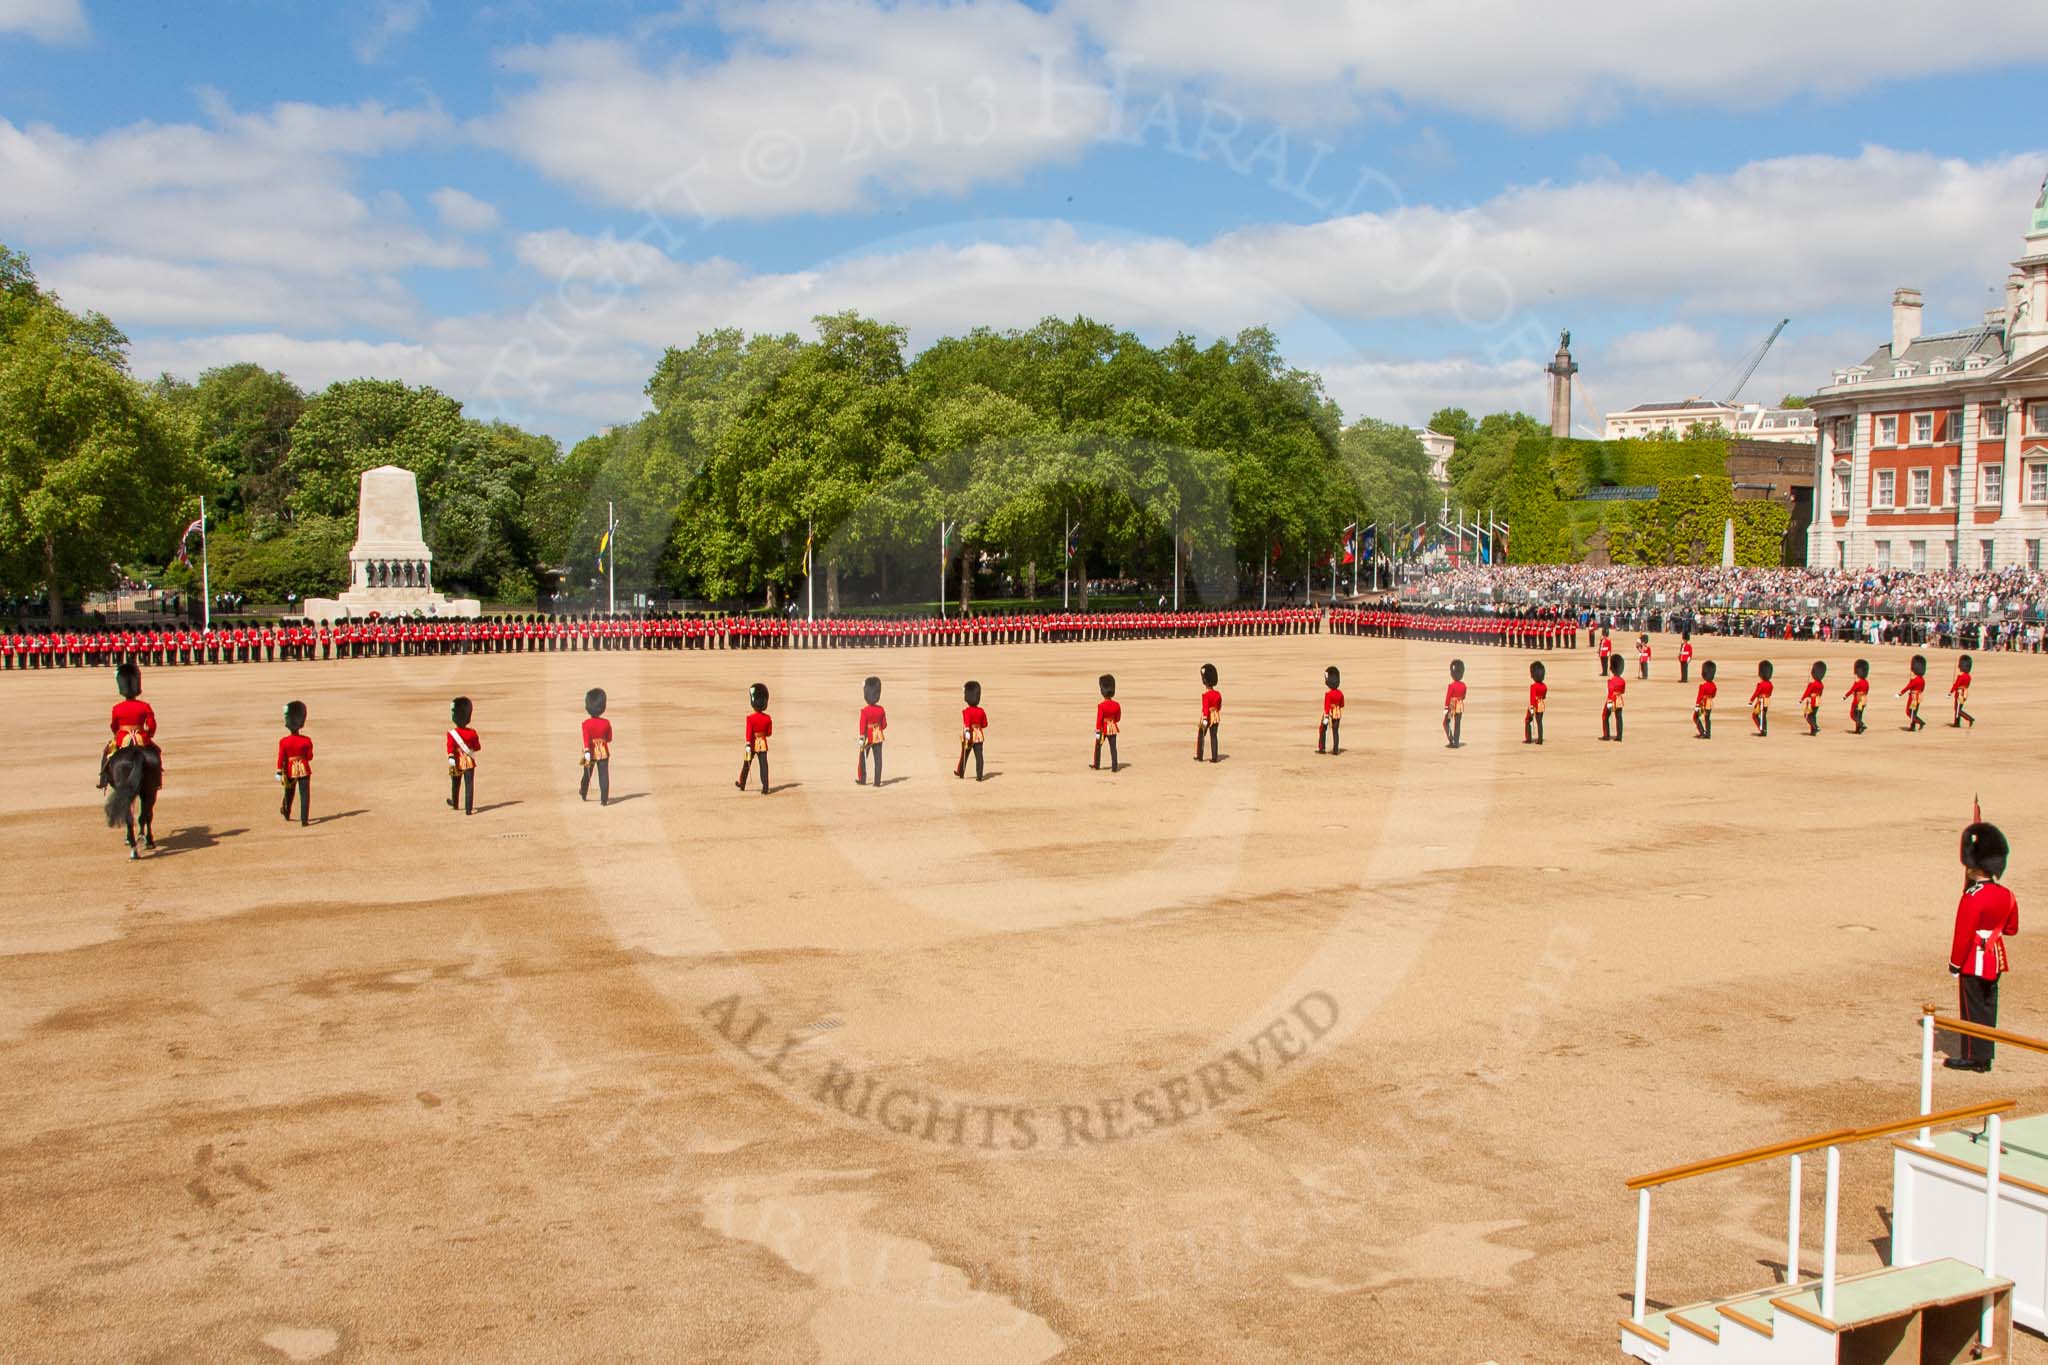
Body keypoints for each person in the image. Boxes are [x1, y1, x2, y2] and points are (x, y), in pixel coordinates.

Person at [1947, 820, 2018, 1072]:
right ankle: (1985, 1055)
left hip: (1973, 959)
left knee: (1971, 1008)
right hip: (1995, 958)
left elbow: (1963, 934)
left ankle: (1971, 1056)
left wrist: (1955, 963)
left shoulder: (1973, 897)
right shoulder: (2006, 894)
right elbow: (2011, 929)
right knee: (1988, 1008)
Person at [101, 660, 160, 790]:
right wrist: (148, 734)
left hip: (123, 737)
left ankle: (103, 779)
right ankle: (157, 780)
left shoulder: (117, 707)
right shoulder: (144, 706)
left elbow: (114, 725)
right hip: (141, 737)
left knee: (107, 752)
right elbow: (151, 724)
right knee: (156, 752)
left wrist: (117, 734)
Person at [276, 700, 313, 825]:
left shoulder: (284, 741)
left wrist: (279, 771)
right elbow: (309, 757)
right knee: (305, 795)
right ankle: (304, 820)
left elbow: (281, 757)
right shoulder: (306, 740)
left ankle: (286, 812)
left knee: (289, 792)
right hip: (303, 767)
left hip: (290, 768)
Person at [446, 696, 481, 815]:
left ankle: (455, 803)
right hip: (469, 761)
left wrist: (451, 758)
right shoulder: (472, 733)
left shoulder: (452, 734)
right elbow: (477, 747)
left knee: (456, 784)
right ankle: (468, 809)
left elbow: (450, 747)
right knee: (469, 786)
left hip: (456, 761)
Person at [737, 683, 773, 793]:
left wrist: (748, 744)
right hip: (762, 743)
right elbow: (769, 733)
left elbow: (748, 734)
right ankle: (765, 787)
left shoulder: (750, 718)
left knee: (746, 764)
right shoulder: (767, 718)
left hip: (751, 744)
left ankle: (742, 783)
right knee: (764, 766)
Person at [580, 687, 613, 805]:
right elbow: (609, 738)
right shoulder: (606, 723)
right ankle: (604, 799)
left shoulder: (586, 724)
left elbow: (586, 740)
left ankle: (583, 792)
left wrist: (587, 752)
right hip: (603, 750)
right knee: (604, 775)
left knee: (586, 774)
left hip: (589, 751)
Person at [856, 676, 887, 786]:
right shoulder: (881, 709)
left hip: (867, 735)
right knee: (878, 759)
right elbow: (884, 725)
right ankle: (877, 782)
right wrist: (877, 728)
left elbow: (862, 727)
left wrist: (861, 739)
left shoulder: (865, 711)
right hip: (878, 733)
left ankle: (862, 779)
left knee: (863, 757)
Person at [956, 680, 988, 780]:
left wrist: (967, 733)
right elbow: (985, 724)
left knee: (964, 755)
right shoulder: (981, 711)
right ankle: (979, 776)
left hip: (968, 735)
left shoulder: (966, 711)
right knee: (979, 757)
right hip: (979, 736)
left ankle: (961, 773)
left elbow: (967, 723)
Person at [1093, 674, 1121, 772]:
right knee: (1113, 748)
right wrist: (1112, 722)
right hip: (1112, 726)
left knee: (1098, 746)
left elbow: (1099, 719)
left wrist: (1098, 730)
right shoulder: (1116, 704)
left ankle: (1096, 765)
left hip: (1102, 728)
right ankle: (1114, 767)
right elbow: (1118, 718)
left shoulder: (1101, 706)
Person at [1196, 663, 1221, 763]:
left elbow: (1205, 708)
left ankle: (1200, 755)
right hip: (1215, 715)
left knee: (1201, 735)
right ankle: (1214, 757)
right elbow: (1219, 706)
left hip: (1207, 717)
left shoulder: (1206, 695)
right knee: (1214, 736)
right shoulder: (1217, 694)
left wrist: (1205, 718)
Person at [1601, 654, 1626, 742]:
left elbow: (1610, 691)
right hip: (1619, 698)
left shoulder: (1610, 681)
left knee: (1605, 716)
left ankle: (1606, 735)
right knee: (1619, 717)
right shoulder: (1622, 681)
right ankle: (1619, 736)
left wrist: (1609, 702)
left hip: (1611, 699)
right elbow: (1623, 691)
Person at [1319, 666, 1344, 755]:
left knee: (1322, 729)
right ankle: (1335, 749)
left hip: (1328, 714)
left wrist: (1326, 717)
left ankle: (1322, 748)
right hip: (1337, 713)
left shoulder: (1329, 694)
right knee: (1335, 731)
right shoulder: (1340, 693)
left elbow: (1327, 707)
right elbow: (1342, 704)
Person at [1443, 659, 1467, 749]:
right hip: (1460, 703)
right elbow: (1464, 696)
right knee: (1457, 724)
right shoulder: (1464, 685)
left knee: (1446, 722)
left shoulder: (1451, 686)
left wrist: (1446, 709)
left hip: (1452, 704)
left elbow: (1448, 699)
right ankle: (1456, 742)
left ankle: (1451, 740)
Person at [1901, 654, 1928, 731]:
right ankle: (1912, 726)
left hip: (1913, 697)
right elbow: (1922, 689)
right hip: (1919, 696)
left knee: (1909, 712)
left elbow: (1908, 687)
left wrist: (1900, 694)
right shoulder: (1922, 680)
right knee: (1914, 711)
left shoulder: (1915, 680)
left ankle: (1920, 722)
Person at [1692, 660, 1718, 739]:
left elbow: (1699, 696)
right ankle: (1708, 734)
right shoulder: (1713, 685)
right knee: (1707, 718)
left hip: (1703, 703)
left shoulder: (1703, 686)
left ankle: (1702, 732)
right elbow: (1714, 695)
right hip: (1710, 703)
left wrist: (1697, 705)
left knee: (1695, 717)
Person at [1800, 662, 1826, 736]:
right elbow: (1820, 693)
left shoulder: (1812, 684)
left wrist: (1802, 699)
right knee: (1813, 715)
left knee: (1807, 715)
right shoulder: (1821, 685)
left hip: (1812, 700)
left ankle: (1815, 727)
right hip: (1818, 700)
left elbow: (1807, 692)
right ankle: (1813, 731)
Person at [1950, 654, 1975, 729]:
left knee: (1957, 709)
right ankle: (1956, 723)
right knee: (1958, 708)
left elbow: (1956, 685)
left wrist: (1950, 693)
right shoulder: (1968, 676)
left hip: (1960, 692)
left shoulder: (1961, 676)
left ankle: (1969, 718)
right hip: (1965, 692)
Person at [1523, 660, 1546, 745]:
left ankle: (1528, 738)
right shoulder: (1544, 686)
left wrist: (1531, 709)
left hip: (1534, 704)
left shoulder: (1533, 686)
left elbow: (1532, 699)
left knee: (1528, 720)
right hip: (1541, 703)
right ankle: (1540, 739)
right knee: (1539, 722)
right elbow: (1544, 696)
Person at [1846, 658, 1871, 734]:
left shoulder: (1858, 682)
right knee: (1859, 714)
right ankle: (1858, 729)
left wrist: (1845, 696)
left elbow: (1852, 690)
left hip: (1858, 699)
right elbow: (1866, 691)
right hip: (1863, 699)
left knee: (1853, 714)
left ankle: (1861, 724)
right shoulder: (1866, 682)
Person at [1749, 661, 1774, 737]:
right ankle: (1764, 729)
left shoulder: (1761, 684)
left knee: (1755, 715)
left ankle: (1762, 730)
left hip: (1761, 701)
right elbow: (1770, 693)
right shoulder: (1770, 684)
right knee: (1763, 716)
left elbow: (1756, 693)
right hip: (1767, 700)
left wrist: (1751, 700)